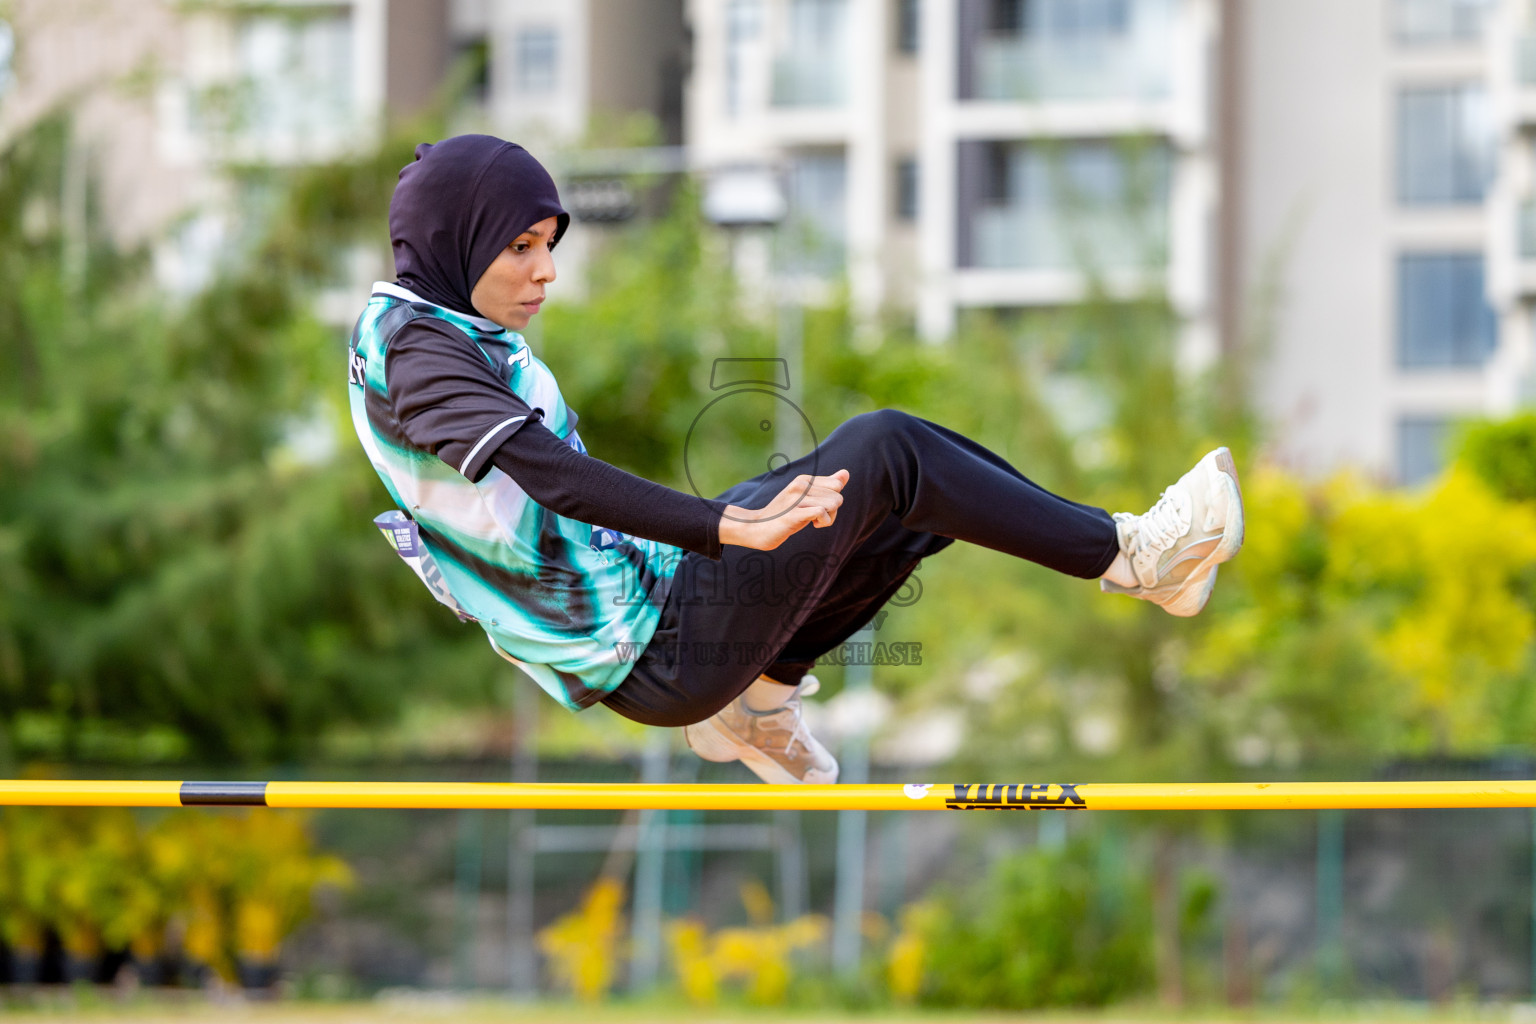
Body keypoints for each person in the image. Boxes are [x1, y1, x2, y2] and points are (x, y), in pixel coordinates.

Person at [347, 134, 1245, 786]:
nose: (545, 272)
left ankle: (758, 710)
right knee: (885, 450)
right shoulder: (411, 349)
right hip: (649, 645)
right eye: (520, 248)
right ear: (455, 239)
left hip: (657, 612)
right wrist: (723, 522)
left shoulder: (451, 329)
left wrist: (721, 530)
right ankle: (1136, 557)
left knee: (889, 500)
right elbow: (552, 475)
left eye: (550, 245)